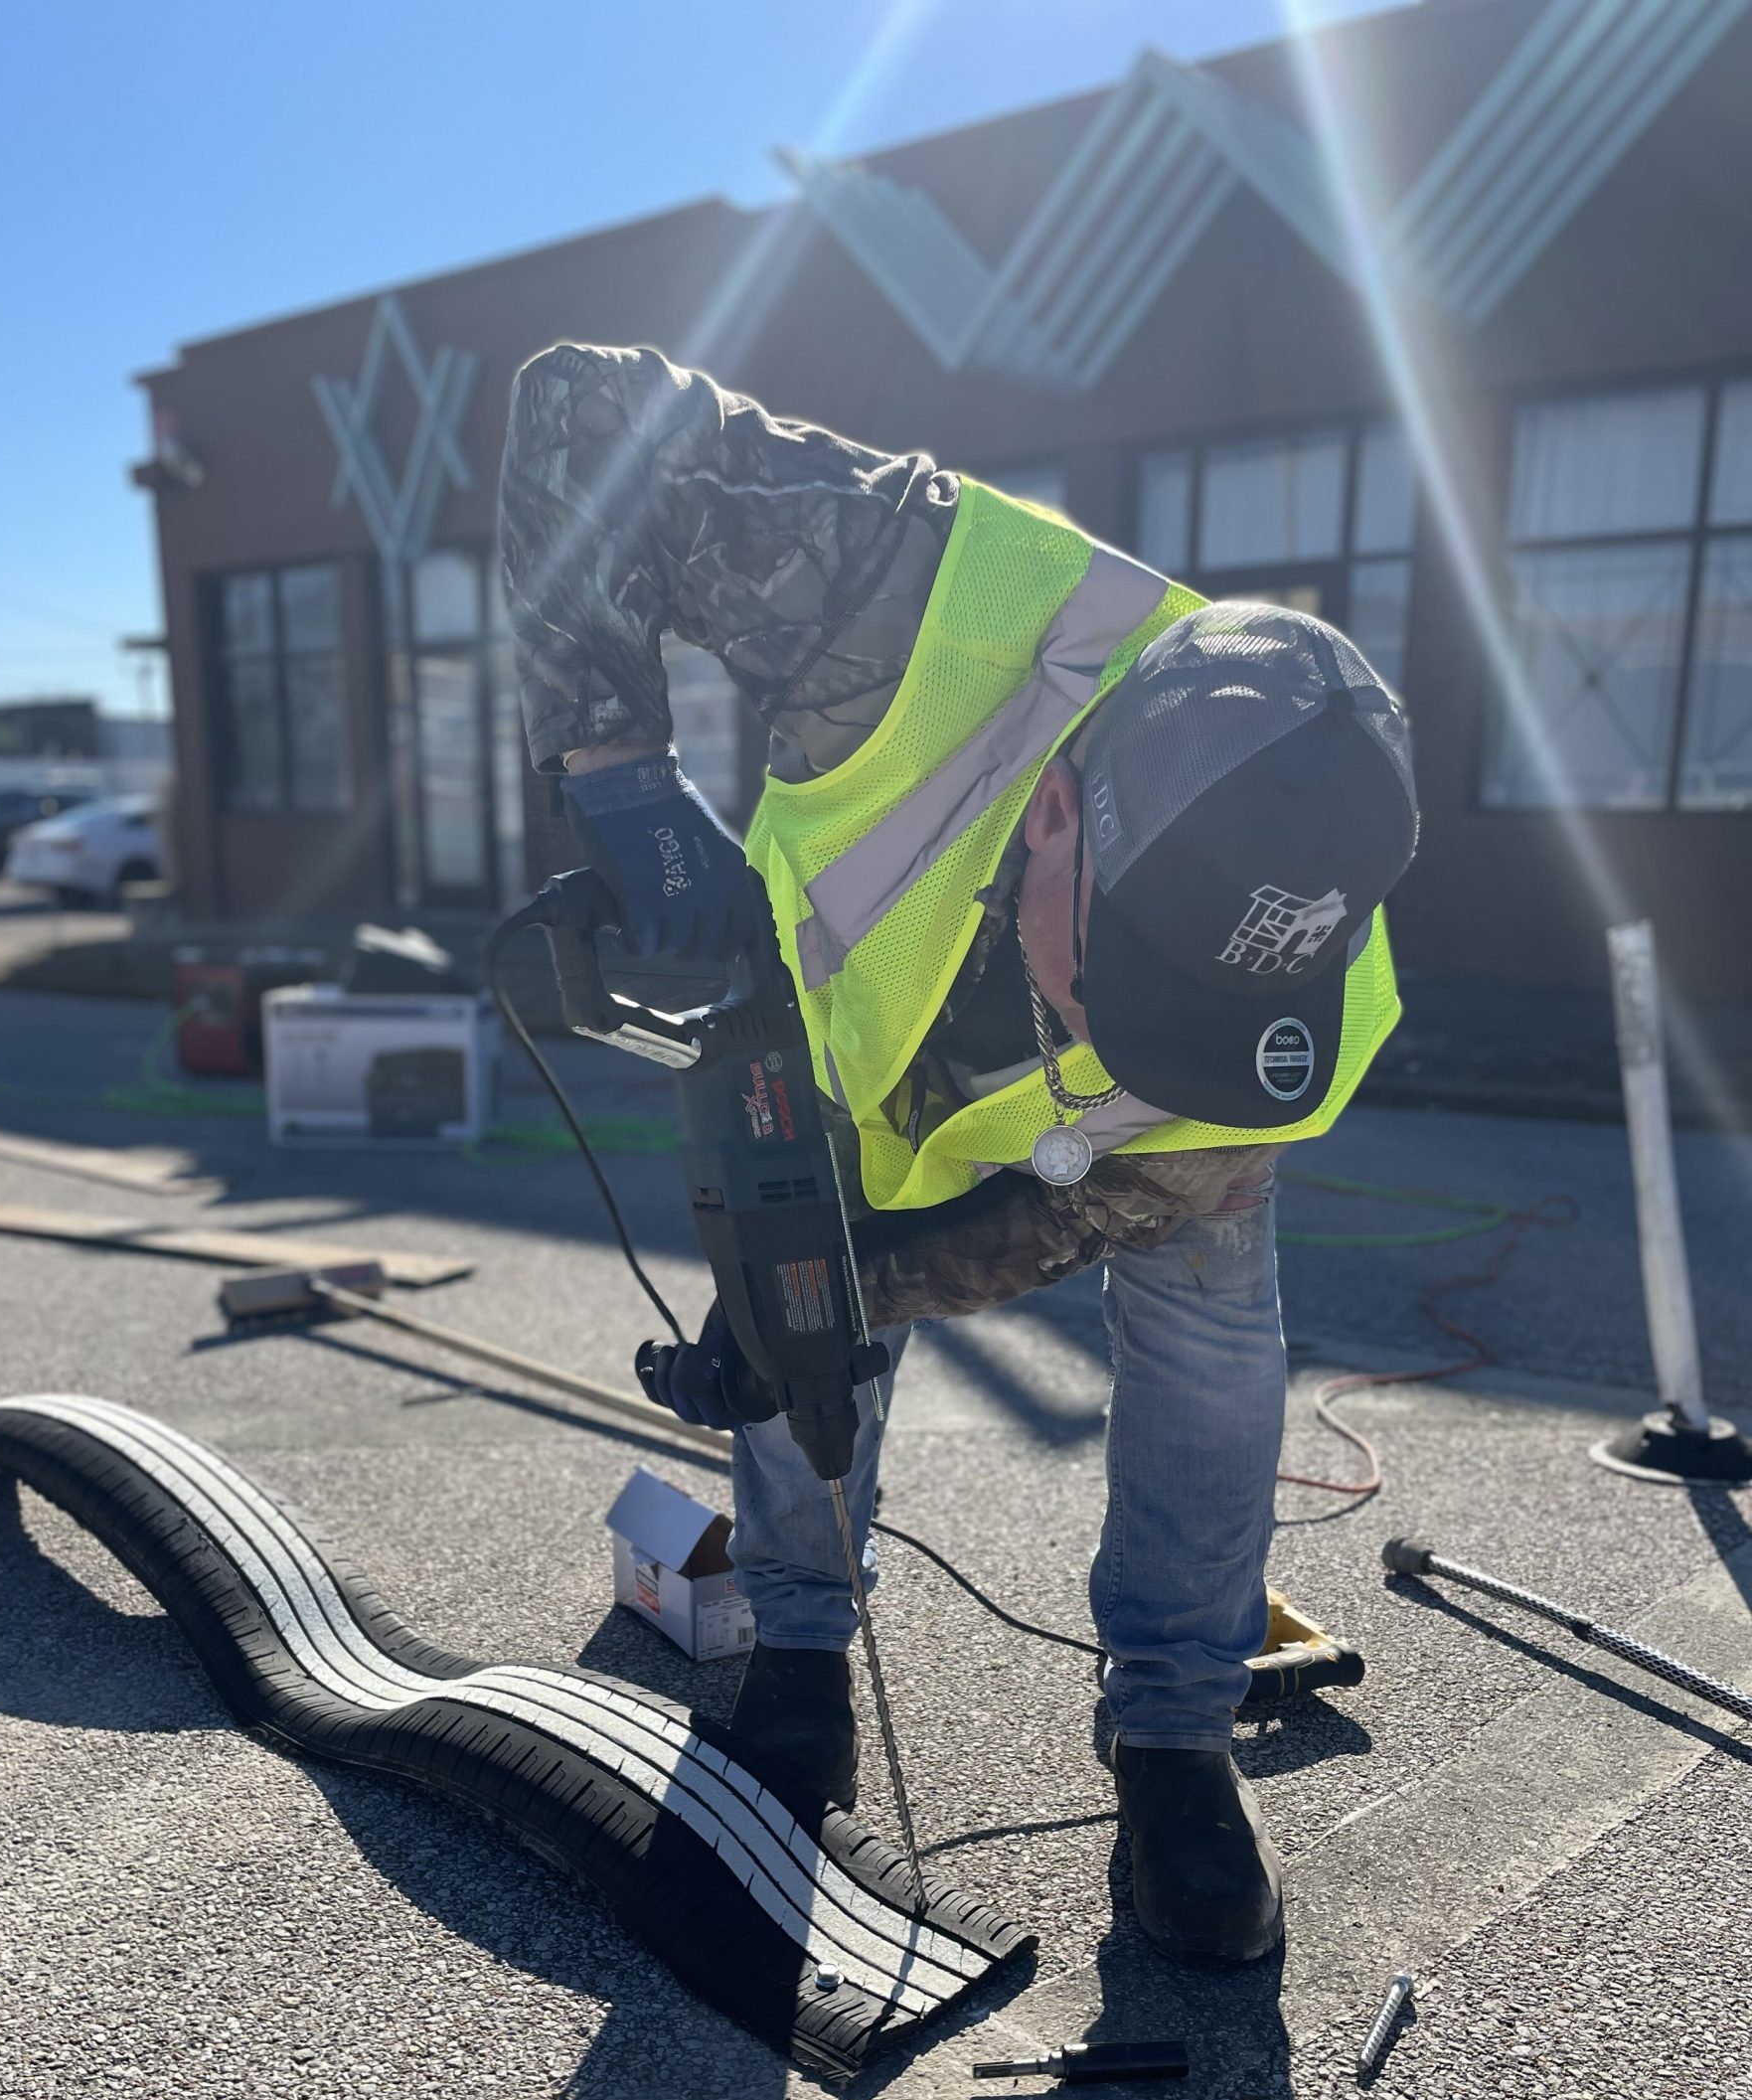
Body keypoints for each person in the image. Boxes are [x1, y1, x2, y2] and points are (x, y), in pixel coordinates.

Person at [501, 343, 1417, 1965]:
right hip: (848, 1033)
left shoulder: (1291, 1027)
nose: (1134, 1053)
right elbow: (579, 411)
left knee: (1207, 1331)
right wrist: (616, 773)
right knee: (797, 1249)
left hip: (1081, 1150)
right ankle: (796, 1652)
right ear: (1063, 812)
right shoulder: (898, 591)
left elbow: (1088, 1211)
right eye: (1133, 989)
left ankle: (1176, 1739)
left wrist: (848, 1298)